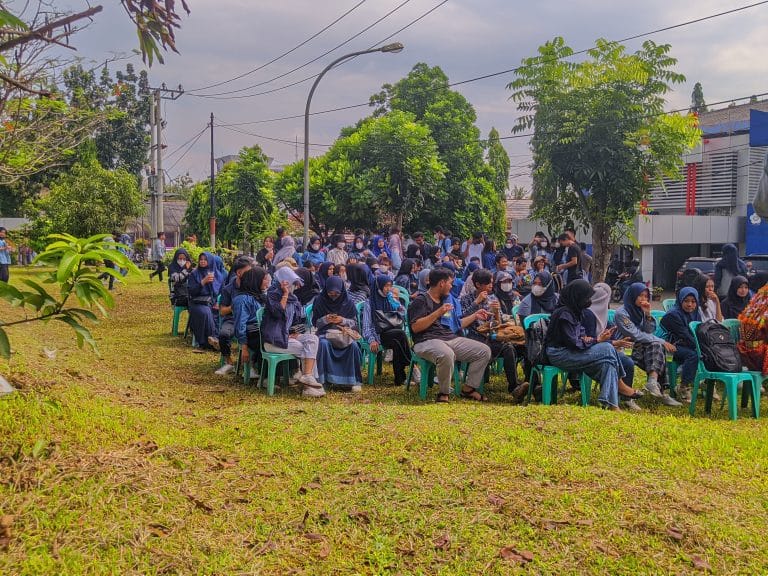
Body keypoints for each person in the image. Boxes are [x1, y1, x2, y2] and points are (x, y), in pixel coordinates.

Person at [408, 267, 492, 403]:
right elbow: (416, 327)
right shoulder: (421, 300)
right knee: (447, 354)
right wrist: (437, 313)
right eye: (450, 283)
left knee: (484, 351)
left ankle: (469, 389)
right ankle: (443, 393)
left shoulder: (447, 300)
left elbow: (457, 324)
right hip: (426, 341)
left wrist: (475, 316)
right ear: (442, 283)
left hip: (450, 338)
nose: (452, 286)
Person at [545, 280, 624, 410]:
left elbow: (581, 337)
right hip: (559, 354)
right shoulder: (564, 313)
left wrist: (590, 340)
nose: (589, 300)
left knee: (607, 364)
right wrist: (597, 340)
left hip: (571, 351)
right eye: (586, 297)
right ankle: (620, 384)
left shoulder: (576, 311)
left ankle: (611, 405)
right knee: (608, 348)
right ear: (577, 296)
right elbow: (574, 343)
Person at [460, 269, 528, 399]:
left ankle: (514, 387)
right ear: (478, 284)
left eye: (491, 283)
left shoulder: (492, 297)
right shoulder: (466, 299)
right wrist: (476, 303)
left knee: (509, 347)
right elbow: (462, 319)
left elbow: (499, 322)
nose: (491, 285)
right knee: (497, 346)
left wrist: (496, 312)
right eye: (488, 283)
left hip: (493, 337)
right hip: (475, 338)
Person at [615, 283, 682, 406]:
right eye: (640, 296)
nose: (643, 299)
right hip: (624, 347)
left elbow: (648, 331)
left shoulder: (640, 311)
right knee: (658, 345)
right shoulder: (621, 313)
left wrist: (648, 314)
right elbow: (635, 335)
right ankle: (630, 396)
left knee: (656, 347)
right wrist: (662, 341)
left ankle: (654, 383)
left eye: (646, 296)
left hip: (639, 347)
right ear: (632, 295)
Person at [261, 267, 324, 397]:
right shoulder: (272, 295)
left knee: (313, 339)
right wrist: (284, 294)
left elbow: (297, 321)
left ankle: (307, 378)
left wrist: (294, 332)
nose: (295, 286)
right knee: (307, 349)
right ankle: (308, 386)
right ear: (284, 282)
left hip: (286, 338)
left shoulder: (293, 298)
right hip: (273, 340)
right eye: (293, 283)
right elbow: (277, 313)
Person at [585, 282, 641, 410]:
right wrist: (613, 343)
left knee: (627, 362)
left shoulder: (602, 314)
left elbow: (611, 331)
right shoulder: (588, 314)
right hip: (592, 352)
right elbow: (589, 341)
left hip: (604, 349)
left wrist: (617, 342)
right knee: (623, 361)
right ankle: (619, 395)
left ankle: (624, 397)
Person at [311, 276, 363, 391]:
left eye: (337, 293)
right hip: (325, 333)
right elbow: (315, 323)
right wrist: (325, 319)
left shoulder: (347, 301)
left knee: (353, 346)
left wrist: (342, 320)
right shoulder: (320, 300)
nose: (334, 296)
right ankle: (324, 380)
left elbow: (354, 322)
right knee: (323, 344)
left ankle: (351, 380)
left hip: (343, 333)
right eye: (330, 293)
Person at [369, 274, 414, 387]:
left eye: (390, 286)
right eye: (386, 286)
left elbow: (403, 314)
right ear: (379, 286)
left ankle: (400, 379)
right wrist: (372, 340)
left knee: (397, 343)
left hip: (392, 333)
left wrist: (396, 303)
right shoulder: (370, 303)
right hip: (379, 335)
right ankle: (412, 365)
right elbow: (367, 326)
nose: (388, 289)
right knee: (401, 334)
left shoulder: (389, 299)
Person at [214, 257, 256, 375]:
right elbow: (222, 311)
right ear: (239, 273)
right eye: (248, 272)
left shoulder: (253, 286)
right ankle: (229, 362)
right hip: (232, 318)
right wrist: (235, 307)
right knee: (223, 334)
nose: (250, 275)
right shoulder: (228, 289)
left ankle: (253, 364)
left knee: (256, 333)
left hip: (249, 319)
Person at [660, 287, 702, 403]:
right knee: (693, 355)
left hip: (685, 344)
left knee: (705, 353)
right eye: (686, 301)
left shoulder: (696, 313)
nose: (690, 305)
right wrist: (701, 347)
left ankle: (703, 382)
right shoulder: (673, 315)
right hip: (670, 345)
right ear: (680, 300)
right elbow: (685, 335)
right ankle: (683, 386)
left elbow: (699, 332)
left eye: (693, 302)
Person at [233, 266, 269, 376]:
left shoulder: (259, 296)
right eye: (264, 279)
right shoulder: (242, 299)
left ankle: (288, 373)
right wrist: (244, 347)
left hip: (260, 330)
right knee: (269, 341)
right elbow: (240, 325)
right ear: (256, 280)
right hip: (250, 334)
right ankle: (264, 374)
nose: (267, 282)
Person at [187, 252, 224, 352]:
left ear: (210, 261)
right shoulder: (194, 274)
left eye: (205, 259)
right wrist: (203, 282)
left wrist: (218, 302)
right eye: (201, 259)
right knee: (205, 313)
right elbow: (191, 291)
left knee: (217, 313)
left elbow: (222, 291)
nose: (202, 261)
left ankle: (217, 340)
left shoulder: (218, 275)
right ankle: (207, 342)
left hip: (213, 301)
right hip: (197, 301)